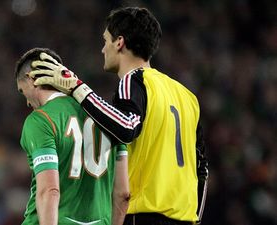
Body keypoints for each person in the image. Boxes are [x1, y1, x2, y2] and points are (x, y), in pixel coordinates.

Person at [29, 7, 209, 225]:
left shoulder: (135, 80)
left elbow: (126, 126)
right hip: (185, 219)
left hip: (142, 215)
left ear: (119, 42)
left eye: (105, 40)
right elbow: (202, 169)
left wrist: (77, 88)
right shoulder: (187, 96)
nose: (103, 49)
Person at [15, 47, 130, 225]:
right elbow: (123, 194)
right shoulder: (108, 117)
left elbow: (49, 191)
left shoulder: (41, 120)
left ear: (31, 79)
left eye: (23, 92)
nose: (28, 102)